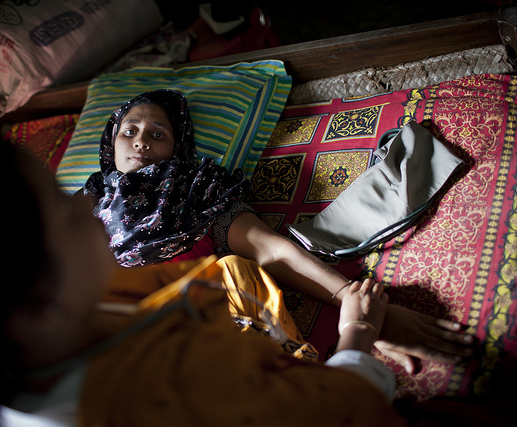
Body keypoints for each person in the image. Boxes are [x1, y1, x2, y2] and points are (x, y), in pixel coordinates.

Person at [0, 134, 405, 426]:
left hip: (213, 291)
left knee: (233, 269)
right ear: (37, 300)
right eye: (62, 208)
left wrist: (341, 292)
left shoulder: (13, 347)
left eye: (159, 130)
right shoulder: (169, 392)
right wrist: (355, 340)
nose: (83, 205)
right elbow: (335, 412)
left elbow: (245, 251)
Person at [80, 89, 476, 374]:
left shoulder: (197, 190)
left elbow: (271, 252)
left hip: (189, 330)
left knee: (235, 271)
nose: (141, 142)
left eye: (158, 134)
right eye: (129, 131)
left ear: (178, 147)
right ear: (110, 142)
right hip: (109, 342)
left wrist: (360, 314)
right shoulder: (80, 209)